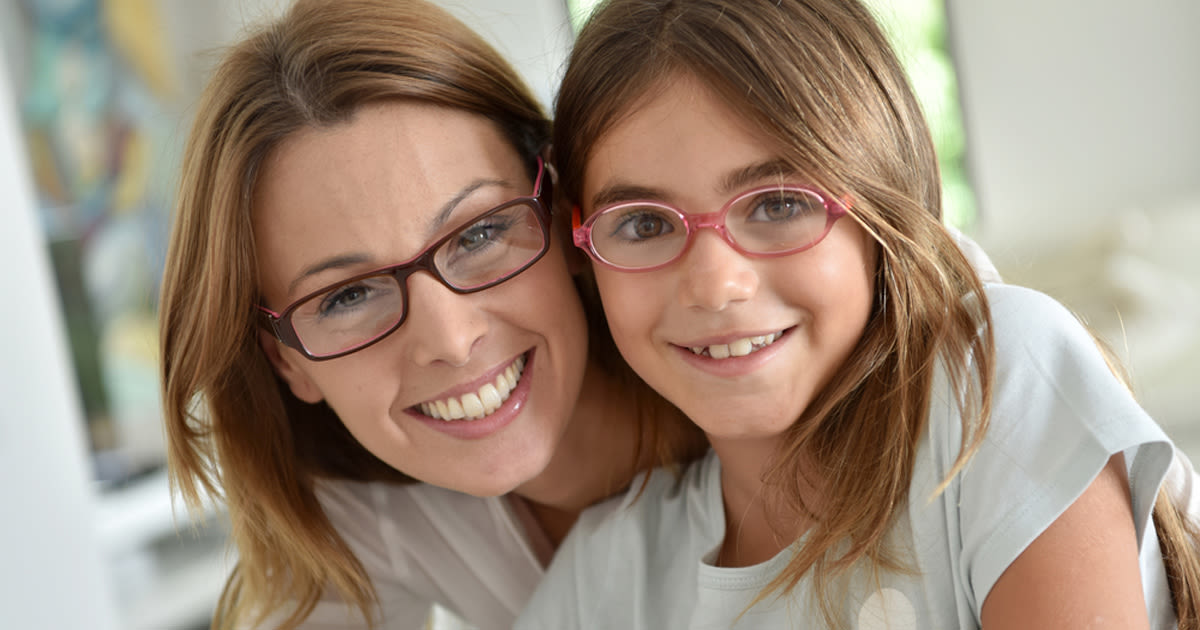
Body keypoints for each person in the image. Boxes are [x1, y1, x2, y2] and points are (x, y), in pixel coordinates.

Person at [514, 0, 1200, 628]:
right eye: (642, 224)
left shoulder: (994, 382)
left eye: (778, 204)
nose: (715, 284)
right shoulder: (605, 579)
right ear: (581, 248)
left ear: (878, 209)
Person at [156, 1, 711, 628]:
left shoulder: (755, 405)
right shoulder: (358, 519)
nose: (449, 338)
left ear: (560, 211)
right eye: (347, 296)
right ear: (285, 359)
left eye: (478, 235)